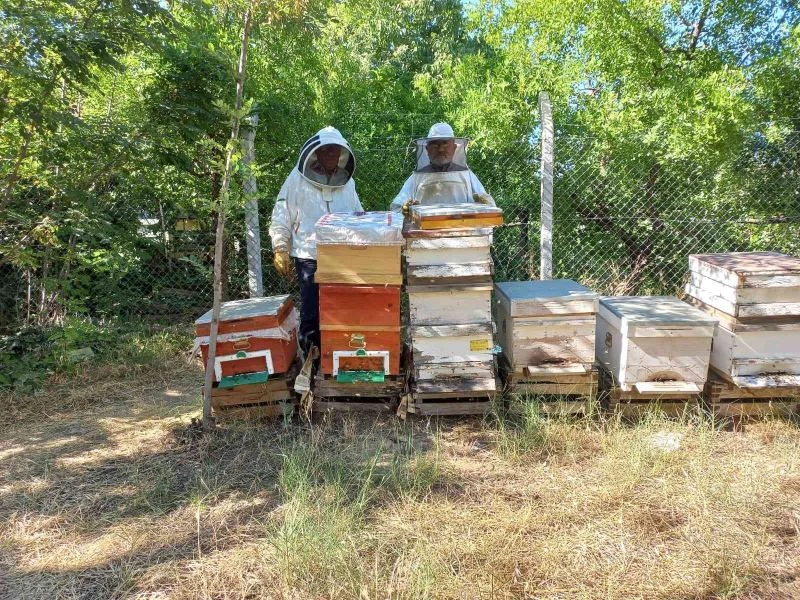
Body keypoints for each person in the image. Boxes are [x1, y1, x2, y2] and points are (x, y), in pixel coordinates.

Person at [269, 126, 362, 357]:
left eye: (335, 151)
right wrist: (280, 247)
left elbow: (359, 214)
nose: (331, 154)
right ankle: (312, 359)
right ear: (316, 153)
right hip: (309, 255)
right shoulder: (296, 180)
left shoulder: (346, 182)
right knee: (312, 312)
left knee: (341, 309)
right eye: (327, 150)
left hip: (342, 255)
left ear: (342, 155)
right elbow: (282, 212)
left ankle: (338, 357)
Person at [390, 122, 495, 214]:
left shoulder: (466, 175)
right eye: (435, 145)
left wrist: (482, 204)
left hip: (460, 232)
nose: (440, 150)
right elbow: (397, 207)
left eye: (445, 145)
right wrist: (406, 210)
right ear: (427, 149)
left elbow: (490, 206)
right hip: (426, 234)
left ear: (454, 148)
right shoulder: (417, 177)